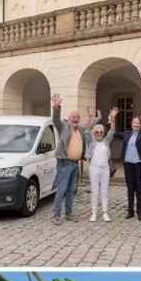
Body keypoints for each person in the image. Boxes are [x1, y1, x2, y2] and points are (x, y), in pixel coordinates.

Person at [49, 94, 92, 224]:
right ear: (69, 118)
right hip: (64, 163)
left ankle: (69, 213)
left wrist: (90, 117)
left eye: (78, 117)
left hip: (75, 164)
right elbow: (55, 119)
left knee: (71, 190)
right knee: (61, 190)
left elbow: (90, 128)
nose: (76, 119)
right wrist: (56, 107)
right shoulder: (64, 127)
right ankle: (56, 215)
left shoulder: (81, 130)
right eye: (73, 117)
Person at [87, 107, 118, 222]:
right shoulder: (92, 141)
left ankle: (105, 212)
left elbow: (112, 131)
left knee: (104, 190)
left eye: (101, 132)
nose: (99, 133)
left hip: (105, 168)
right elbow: (88, 129)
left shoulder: (106, 141)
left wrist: (113, 119)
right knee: (95, 190)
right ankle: (94, 212)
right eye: (97, 132)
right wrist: (91, 117)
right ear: (94, 133)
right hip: (94, 168)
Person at [117, 115, 141, 221]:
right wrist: (112, 120)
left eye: (138, 123)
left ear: (140, 126)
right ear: (131, 124)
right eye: (134, 123)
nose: (136, 124)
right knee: (130, 189)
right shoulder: (127, 134)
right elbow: (114, 133)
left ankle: (140, 212)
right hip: (128, 164)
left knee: (139, 188)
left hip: (139, 164)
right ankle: (130, 212)